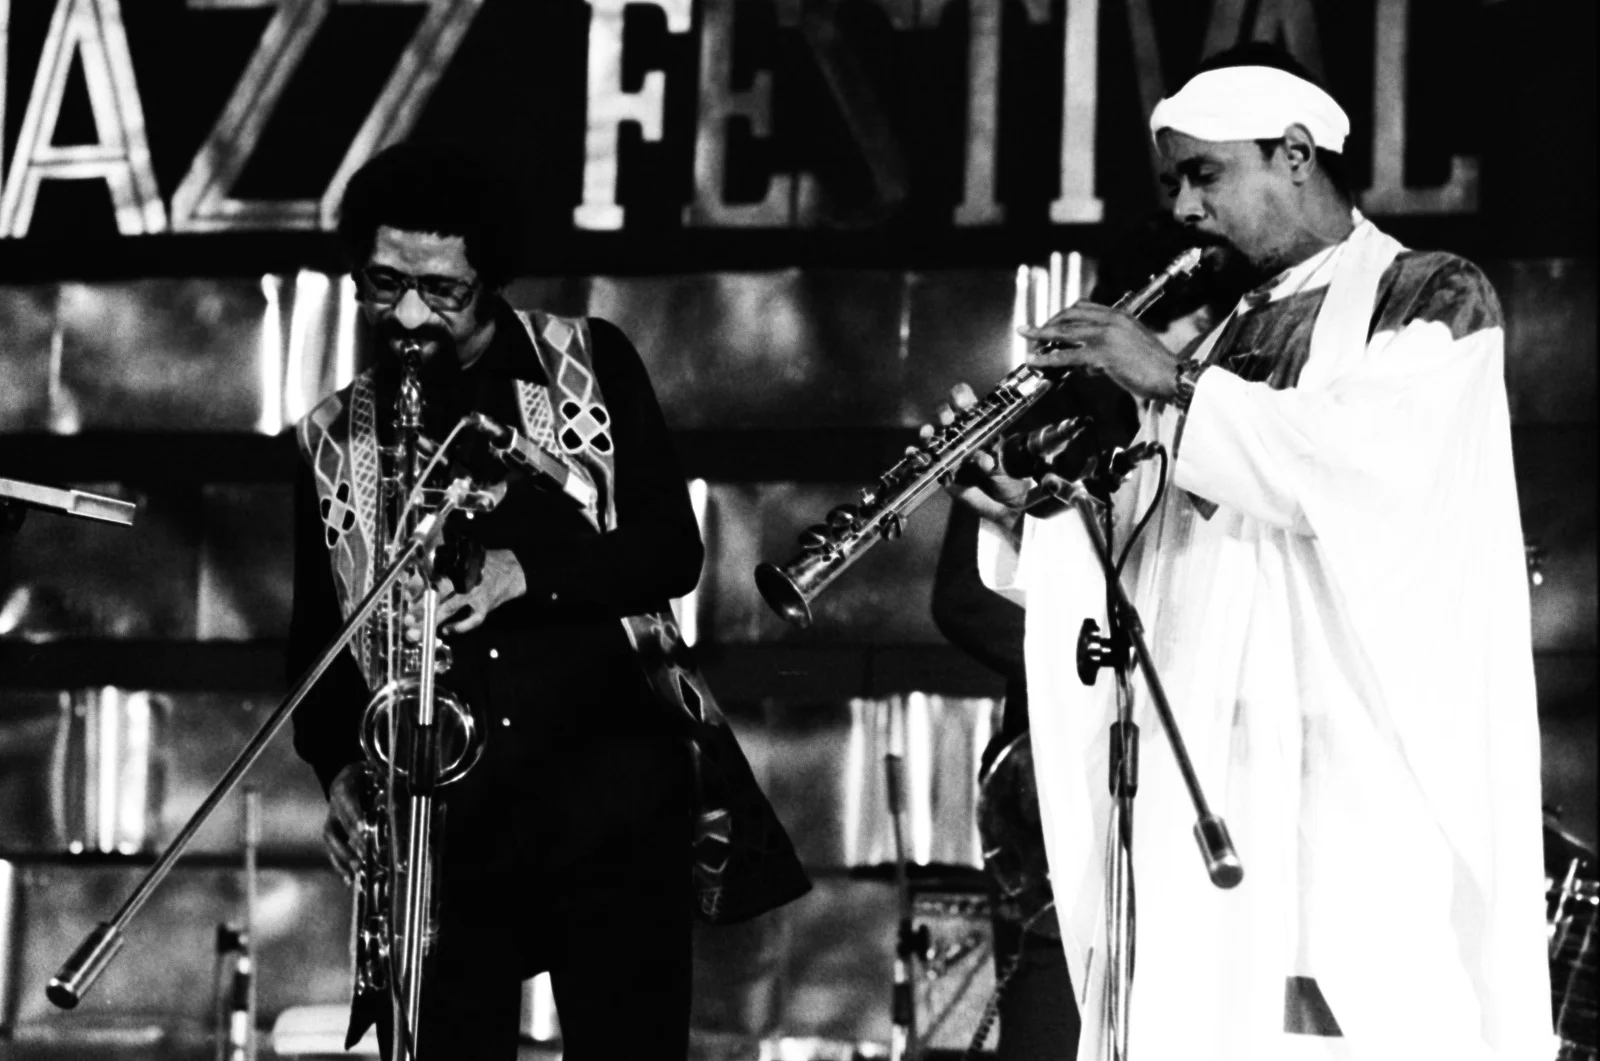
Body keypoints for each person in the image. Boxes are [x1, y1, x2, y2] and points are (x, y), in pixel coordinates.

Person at [944, 42, 1551, 1060]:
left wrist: (1170, 382)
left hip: (1351, 772)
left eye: (1205, 174)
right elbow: (1162, 544)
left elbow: (1352, 465)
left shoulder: (1434, 294)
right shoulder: (1223, 328)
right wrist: (1034, 512)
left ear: (1296, 154)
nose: (1186, 207)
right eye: (1175, 182)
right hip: (1209, 767)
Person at [287, 143, 713, 1060]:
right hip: (446, 839)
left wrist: (526, 571)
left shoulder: (591, 361)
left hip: (611, 813)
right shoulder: (329, 437)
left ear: (491, 277)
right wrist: (340, 773)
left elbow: (672, 550)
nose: (408, 314)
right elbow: (315, 644)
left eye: (441, 290)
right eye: (384, 283)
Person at [932, 215, 1239, 1060]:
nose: (1211, 345)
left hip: (1175, 766)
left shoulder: (1204, 421)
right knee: (1053, 1001)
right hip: (1057, 773)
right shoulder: (1052, 413)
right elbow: (964, 598)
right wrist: (1105, 668)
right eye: (1202, 321)